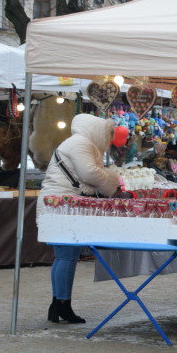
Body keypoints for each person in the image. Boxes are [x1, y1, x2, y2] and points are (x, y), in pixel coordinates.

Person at [40, 114, 123, 324]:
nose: (109, 138)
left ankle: (58, 304)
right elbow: (90, 174)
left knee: (63, 256)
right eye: (107, 133)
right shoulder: (80, 143)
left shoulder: (78, 143)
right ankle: (62, 305)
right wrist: (112, 178)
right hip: (64, 204)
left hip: (59, 203)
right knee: (67, 256)